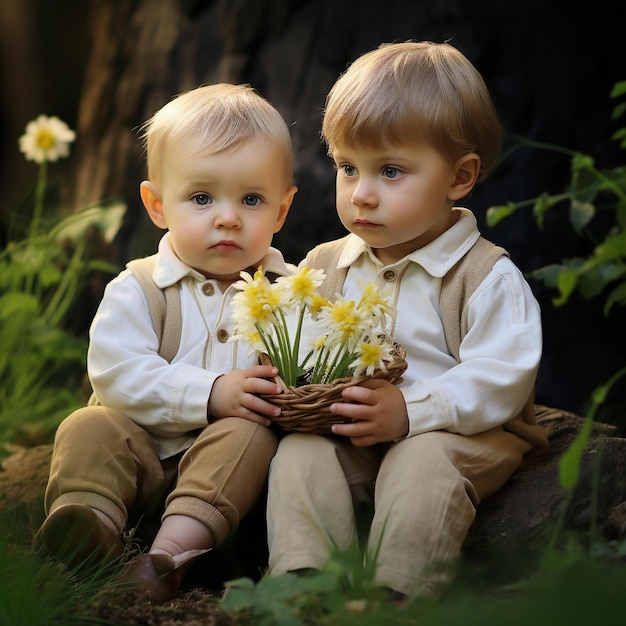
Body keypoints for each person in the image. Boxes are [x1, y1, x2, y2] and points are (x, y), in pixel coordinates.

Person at [266, 41, 548, 602]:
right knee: (302, 453)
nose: (362, 195)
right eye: (348, 168)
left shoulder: (483, 274)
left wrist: (413, 411)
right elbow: (293, 343)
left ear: (459, 177)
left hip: (464, 435)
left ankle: (397, 594)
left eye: (390, 170)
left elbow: (504, 374)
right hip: (356, 435)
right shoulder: (323, 267)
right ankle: (306, 586)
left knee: (421, 460)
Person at [39, 83, 297, 602]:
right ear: (157, 205)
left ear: (282, 211)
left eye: (252, 199)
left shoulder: (291, 293)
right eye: (201, 198)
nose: (228, 217)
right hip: (138, 457)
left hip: (219, 485)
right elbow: (115, 372)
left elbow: (306, 371)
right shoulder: (139, 287)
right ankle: (90, 525)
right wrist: (209, 392)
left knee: (250, 435)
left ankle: (167, 560)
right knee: (88, 423)